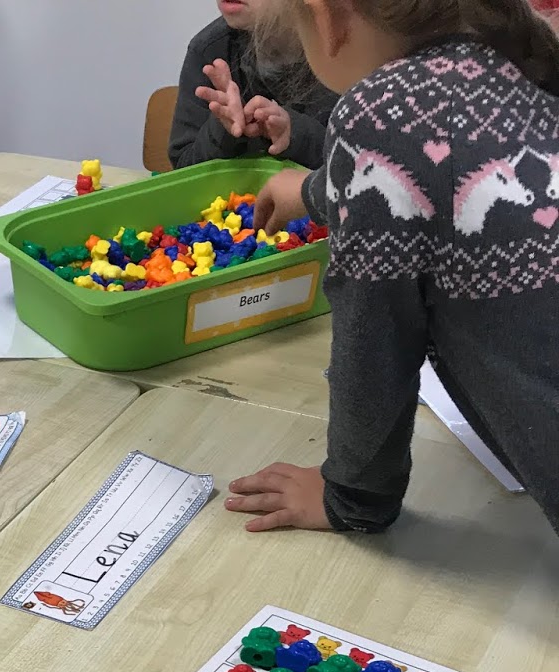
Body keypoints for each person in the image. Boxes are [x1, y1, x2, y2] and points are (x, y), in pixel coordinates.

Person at [226, 0, 559, 538]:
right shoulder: (516, 62)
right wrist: (315, 191)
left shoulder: (377, 113)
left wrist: (352, 495)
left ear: (327, 18)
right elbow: (433, 170)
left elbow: (375, 341)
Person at [169, 0, 337, 170]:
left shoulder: (343, 45)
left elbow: (353, 164)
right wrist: (221, 130)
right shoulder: (209, 49)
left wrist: (296, 134)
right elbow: (183, 168)